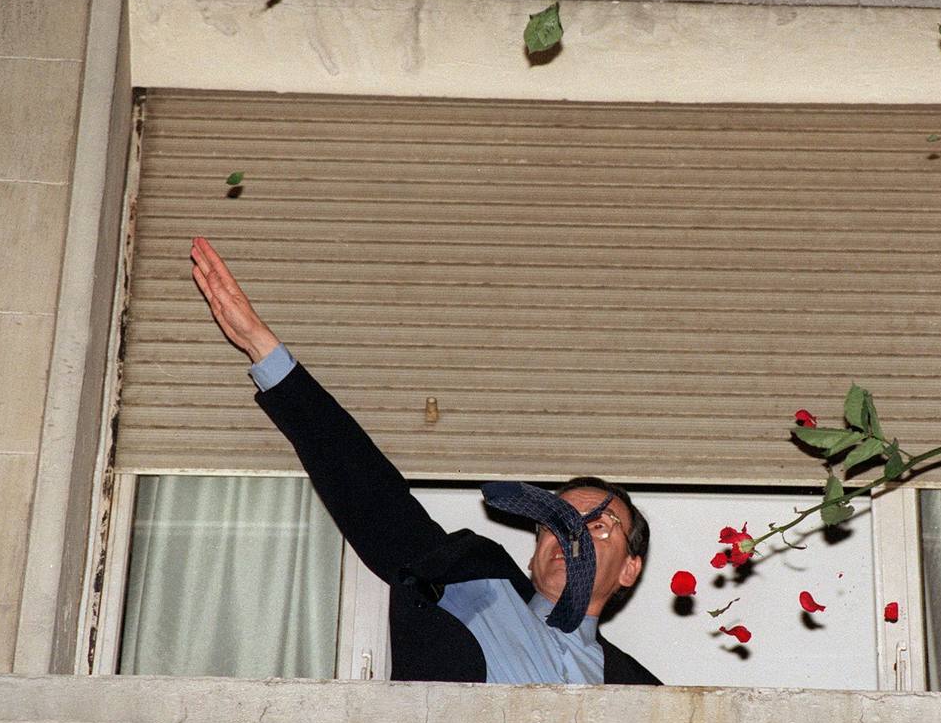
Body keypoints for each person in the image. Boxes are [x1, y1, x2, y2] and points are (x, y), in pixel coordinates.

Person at [190, 237, 661, 685]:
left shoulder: (645, 695)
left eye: (599, 527)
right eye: (556, 523)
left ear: (629, 570)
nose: (571, 535)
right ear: (533, 554)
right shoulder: (474, 591)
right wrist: (263, 350)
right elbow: (369, 492)